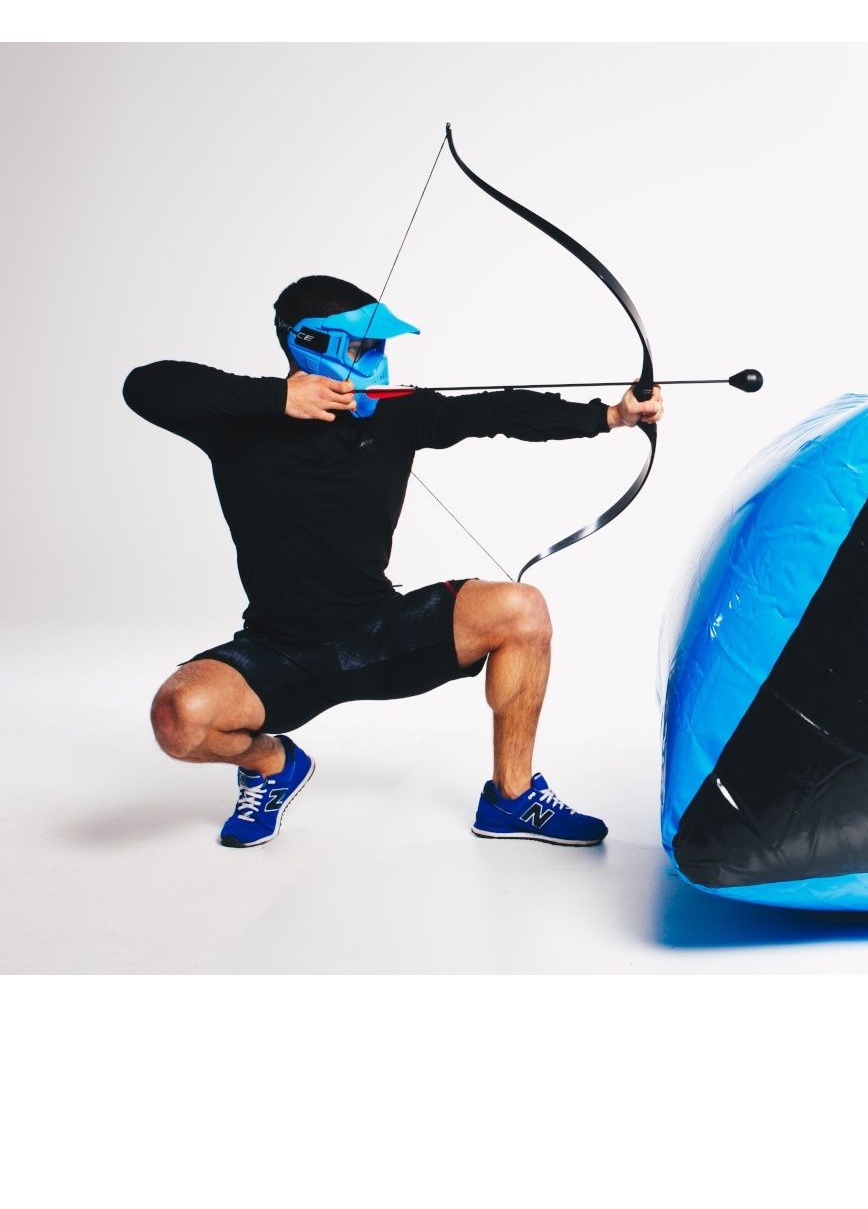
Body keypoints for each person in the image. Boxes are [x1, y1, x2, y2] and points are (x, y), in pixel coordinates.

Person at [122, 274, 663, 850]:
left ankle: (511, 798)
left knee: (521, 610)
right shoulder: (239, 423)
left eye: (380, 346)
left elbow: (495, 411)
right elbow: (146, 385)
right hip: (279, 652)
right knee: (179, 718)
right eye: (362, 347)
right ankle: (271, 765)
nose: (377, 360)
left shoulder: (395, 414)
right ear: (309, 343)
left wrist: (610, 415)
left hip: (379, 635)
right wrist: (277, 398)